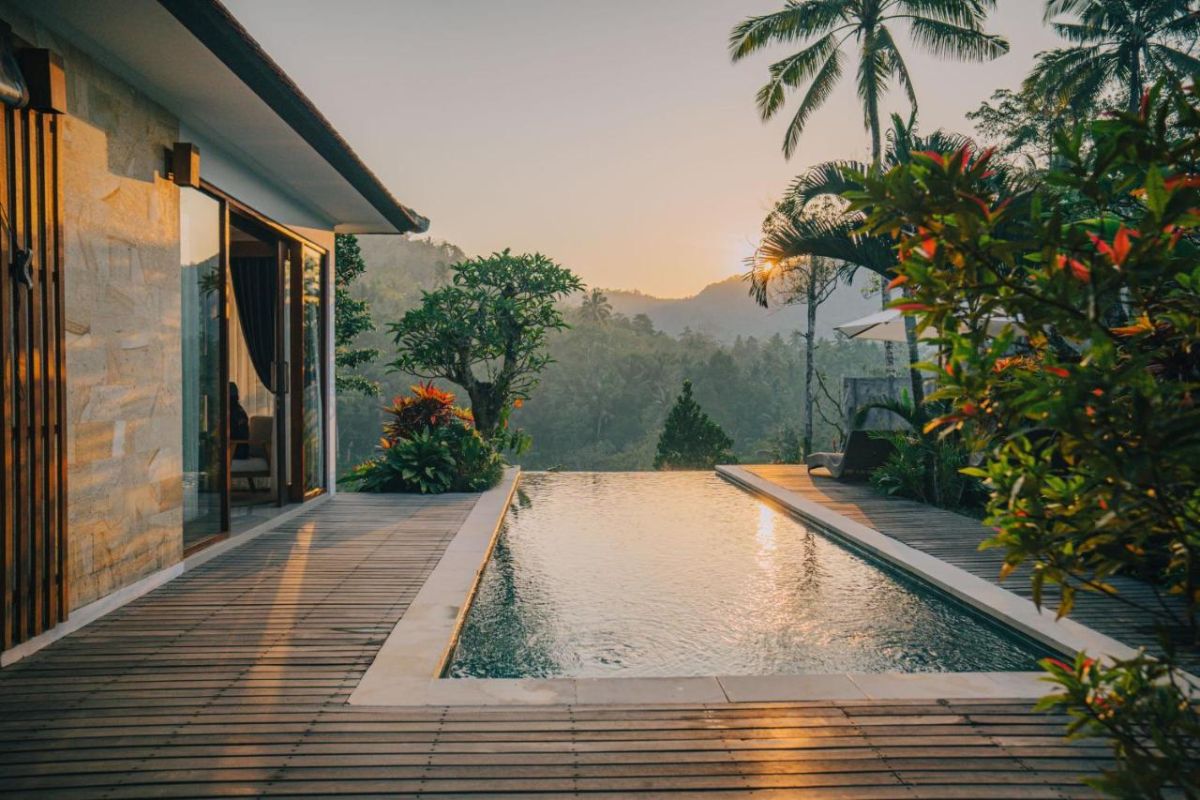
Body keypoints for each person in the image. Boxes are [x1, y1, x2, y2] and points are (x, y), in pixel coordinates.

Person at [229, 382, 250, 459]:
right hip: (232, 448)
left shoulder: (238, 413)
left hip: (237, 451)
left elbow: (241, 435)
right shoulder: (234, 410)